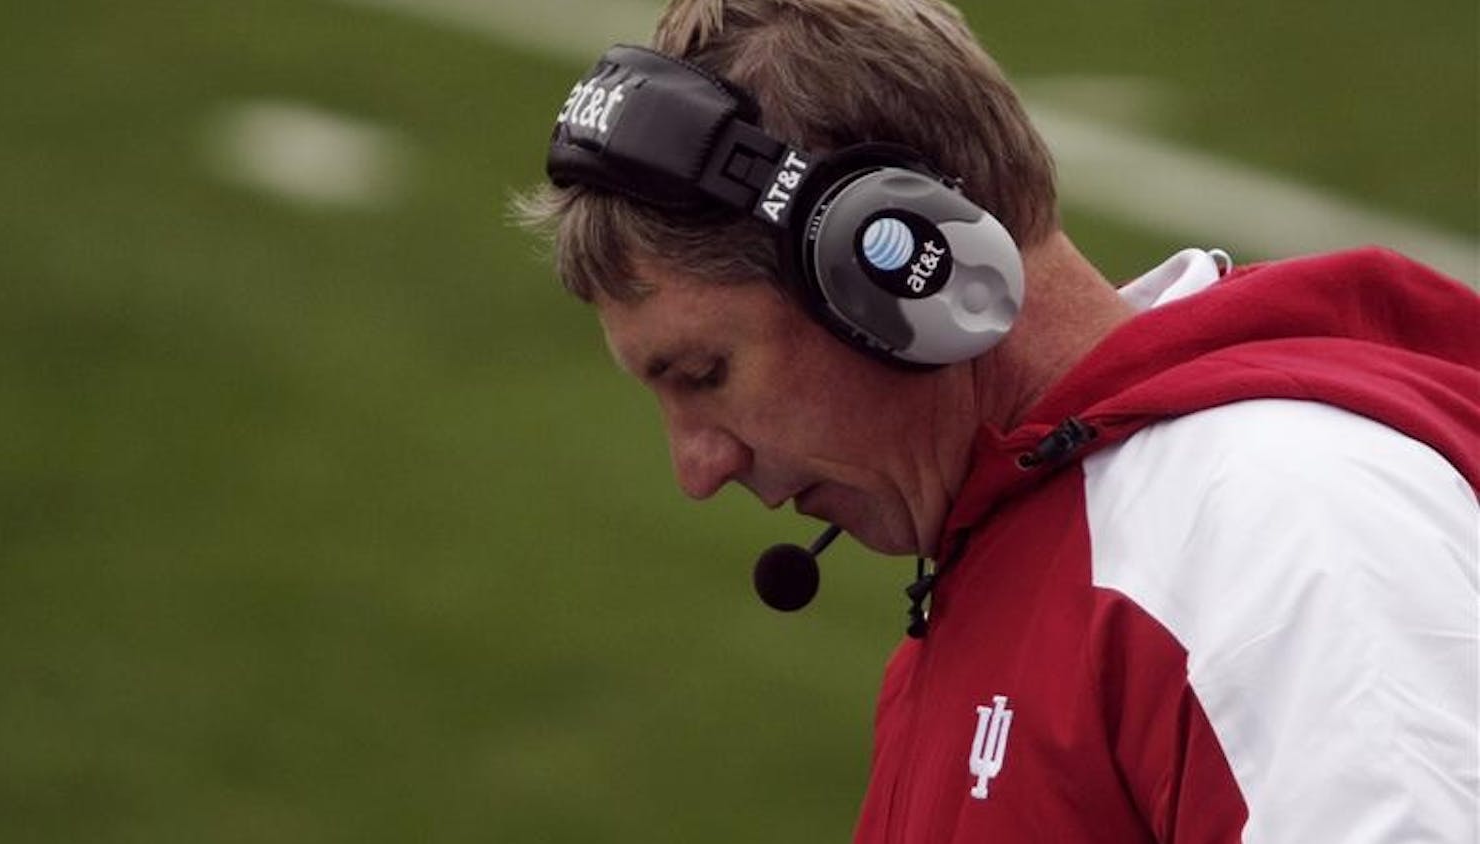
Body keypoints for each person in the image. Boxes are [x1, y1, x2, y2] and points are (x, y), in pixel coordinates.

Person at [516, 0, 1480, 840]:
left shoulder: (1280, 533)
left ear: (895, 266)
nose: (698, 467)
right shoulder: (1017, 555)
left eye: (705, 374)